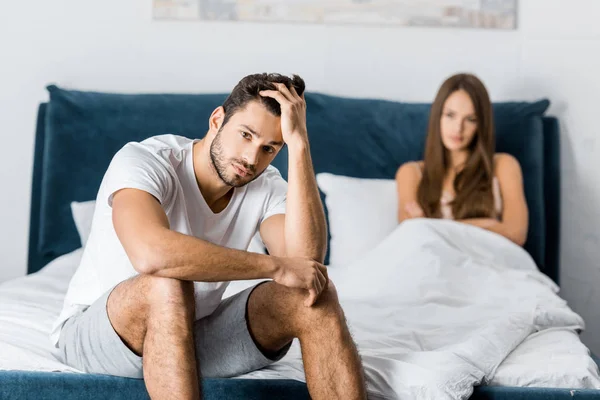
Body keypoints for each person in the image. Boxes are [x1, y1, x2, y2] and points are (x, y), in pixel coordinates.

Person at [51, 73, 367, 400]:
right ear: (217, 119)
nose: (250, 158)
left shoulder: (267, 184)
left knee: (316, 293)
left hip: (190, 332)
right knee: (167, 282)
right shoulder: (146, 160)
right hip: (100, 334)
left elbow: (304, 266)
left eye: (269, 148)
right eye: (246, 135)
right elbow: (150, 255)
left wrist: (299, 145)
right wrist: (274, 267)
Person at [395, 73, 528, 246]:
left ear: (481, 125)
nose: (458, 128)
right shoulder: (411, 173)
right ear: (438, 117)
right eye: (450, 115)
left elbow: (516, 235)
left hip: (489, 262)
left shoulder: (504, 165)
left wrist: (432, 226)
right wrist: (487, 224)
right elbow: (409, 235)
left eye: (471, 119)